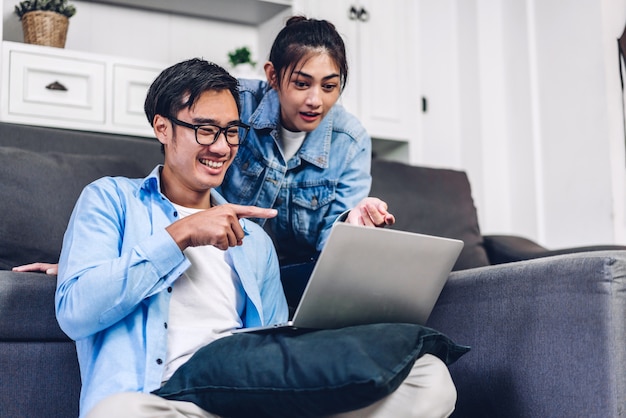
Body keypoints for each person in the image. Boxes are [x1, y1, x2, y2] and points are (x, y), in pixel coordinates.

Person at [56, 58, 457, 418]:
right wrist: (179, 235)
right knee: (117, 413)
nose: (221, 147)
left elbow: (272, 347)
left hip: (246, 399)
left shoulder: (253, 238)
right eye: (205, 130)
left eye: (231, 132)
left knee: (428, 377)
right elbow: (77, 312)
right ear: (163, 127)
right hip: (158, 401)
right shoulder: (110, 200)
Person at [14, 16, 395, 285]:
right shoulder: (232, 105)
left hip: (293, 273)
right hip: (214, 256)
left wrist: (353, 224)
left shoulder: (351, 140)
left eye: (330, 86)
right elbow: (179, 190)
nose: (316, 100)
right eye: (301, 83)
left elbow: (333, 250)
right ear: (273, 76)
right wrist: (92, 267)